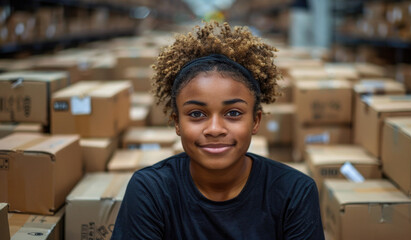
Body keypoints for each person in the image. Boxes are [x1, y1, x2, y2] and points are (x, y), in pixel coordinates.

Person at [111, 21, 325, 239]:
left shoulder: (294, 192)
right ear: (176, 123)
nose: (214, 129)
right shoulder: (150, 191)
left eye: (233, 113)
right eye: (196, 114)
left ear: (255, 121)